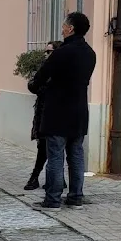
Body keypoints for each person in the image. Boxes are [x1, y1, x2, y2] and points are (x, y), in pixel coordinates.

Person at [28, 12, 96, 208]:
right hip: (79, 112)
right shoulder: (90, 53)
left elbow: (38, 79)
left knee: (56, 157)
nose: (62, 29)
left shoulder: (61, 53)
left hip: (58, 111)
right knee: (76, 156)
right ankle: (76, 197)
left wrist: (38, 86)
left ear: (71, 28)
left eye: (64, 26)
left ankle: (53, 199)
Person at [24, 40, 63, 191]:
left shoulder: (59, 70)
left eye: (49, 51)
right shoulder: (45, 67)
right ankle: (56, 179)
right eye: (45, 51)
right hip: (42, 110)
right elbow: (33, 84)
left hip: (54, 113)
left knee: (48, 147)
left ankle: (35, 177)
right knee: (45, 146)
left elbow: (40, 86)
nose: (46, 54)